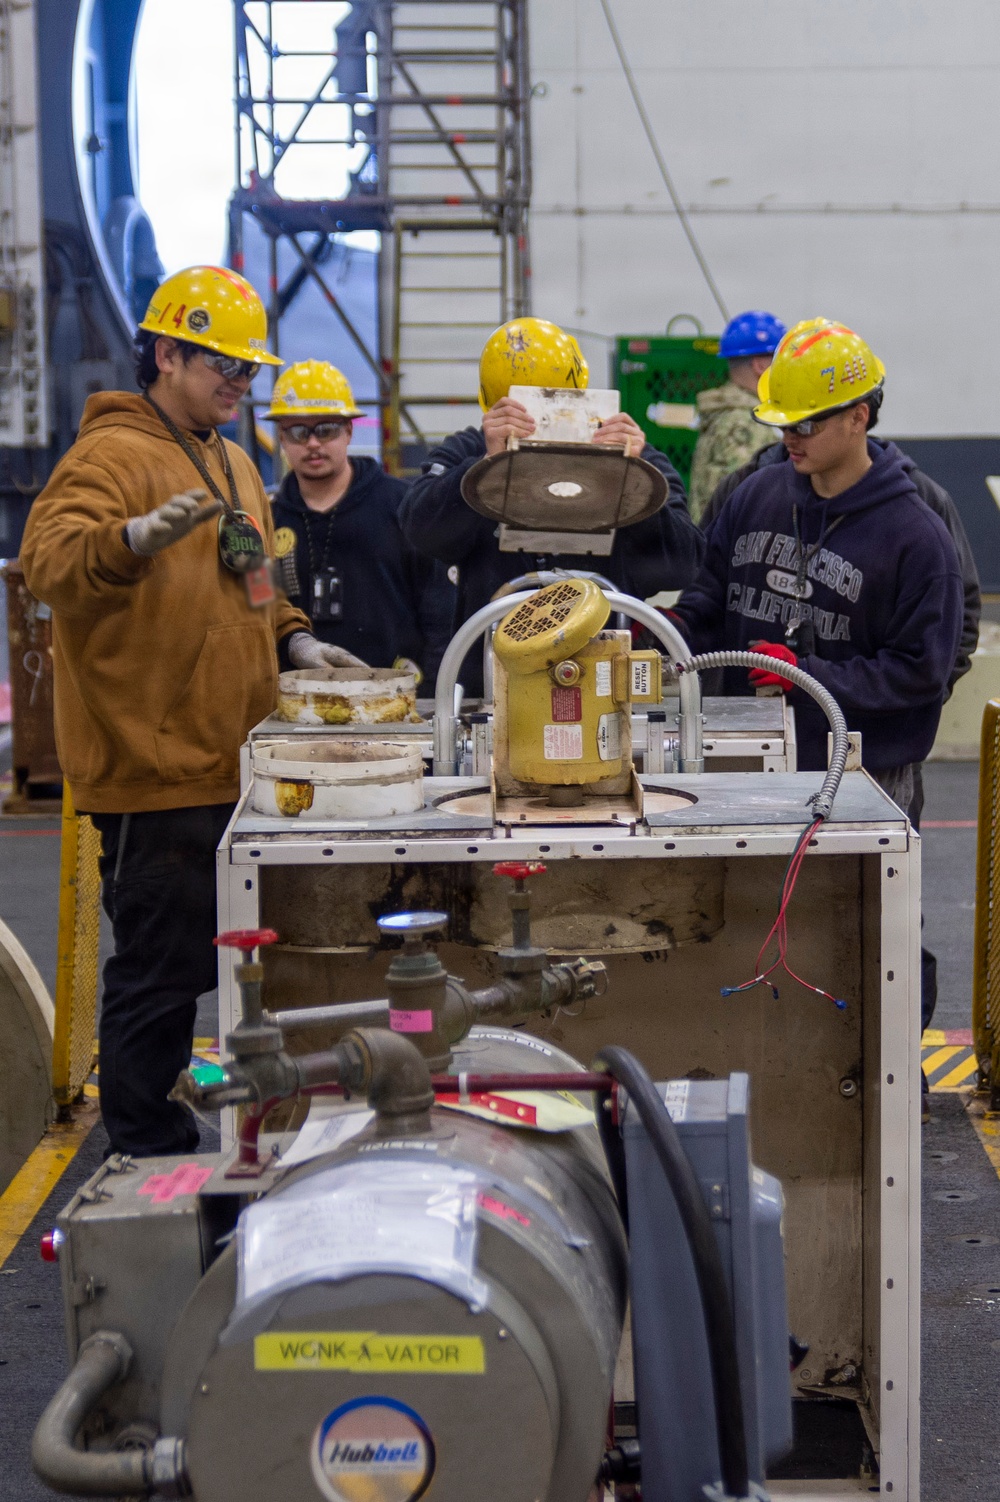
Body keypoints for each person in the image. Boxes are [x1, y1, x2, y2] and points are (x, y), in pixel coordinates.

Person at [20, 266, 362, 1159]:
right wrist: (128, 540)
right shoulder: (109, 458)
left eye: (248, 371)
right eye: (225, 366)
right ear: (166, 353)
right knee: (160, 971)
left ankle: (174, 1107)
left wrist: (294, 639)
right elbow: (50, 565)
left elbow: (255, 576)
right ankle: (141, 1141)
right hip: (154, 766)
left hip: (231, 761)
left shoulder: (233, 458)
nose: (241, 384)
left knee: (216, 961)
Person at [670, 318, 964, 1109]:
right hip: (742, 764)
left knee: (872, 937)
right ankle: (767, 1073)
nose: (789, 438)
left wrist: (811, 676)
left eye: (805, 423)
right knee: (746, 925)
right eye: (781, 423)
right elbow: (707, 599)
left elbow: (920, 674)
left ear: (859, 417)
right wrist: (656, 637)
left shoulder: (915, 537)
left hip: (866, 775)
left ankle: (887, 1082)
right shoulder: (756, 494)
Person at [398, 317, 704, 695]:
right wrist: (480, 471)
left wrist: (632, 481)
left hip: (603, 679)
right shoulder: (470, 451)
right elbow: (420, 531)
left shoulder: (632, 454)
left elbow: (681, 566)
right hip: (495, 682)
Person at [267, 360, 453, 691]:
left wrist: (429, 694)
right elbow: (258, 607)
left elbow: (439, 607)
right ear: (281, 437)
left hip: (397, 694)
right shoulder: (269, 520)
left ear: (349, 431)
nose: (313, 443)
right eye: (298, 432)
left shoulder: (404, 506)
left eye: (326, 430)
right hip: (301, 698)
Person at [686, 310, 786, 525]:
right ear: (760, 366)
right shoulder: (746, 422)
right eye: (780, 360)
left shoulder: (724, 411)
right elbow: (753, 500)